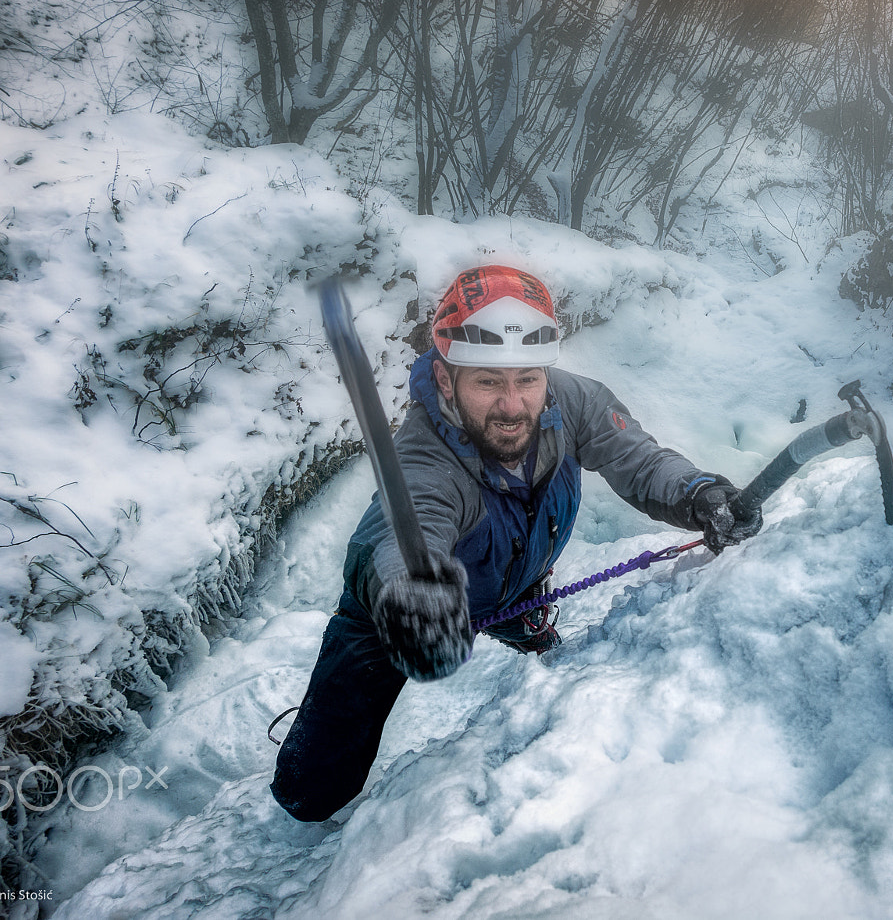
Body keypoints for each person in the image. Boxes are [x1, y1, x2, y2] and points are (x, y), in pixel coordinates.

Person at [271, 264, 760, 822]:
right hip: (404, 607)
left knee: (527, 620)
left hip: (518, 579)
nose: (511, 404)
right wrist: (412, 593)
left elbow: (638, 459)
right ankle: (304, 801)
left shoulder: (574, 401)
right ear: (447, 378)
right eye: (487, 381)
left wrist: (699, 493)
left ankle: (517, 621)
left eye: (527, 378)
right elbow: (401, 533)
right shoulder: (425, 460)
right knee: (317, 779)